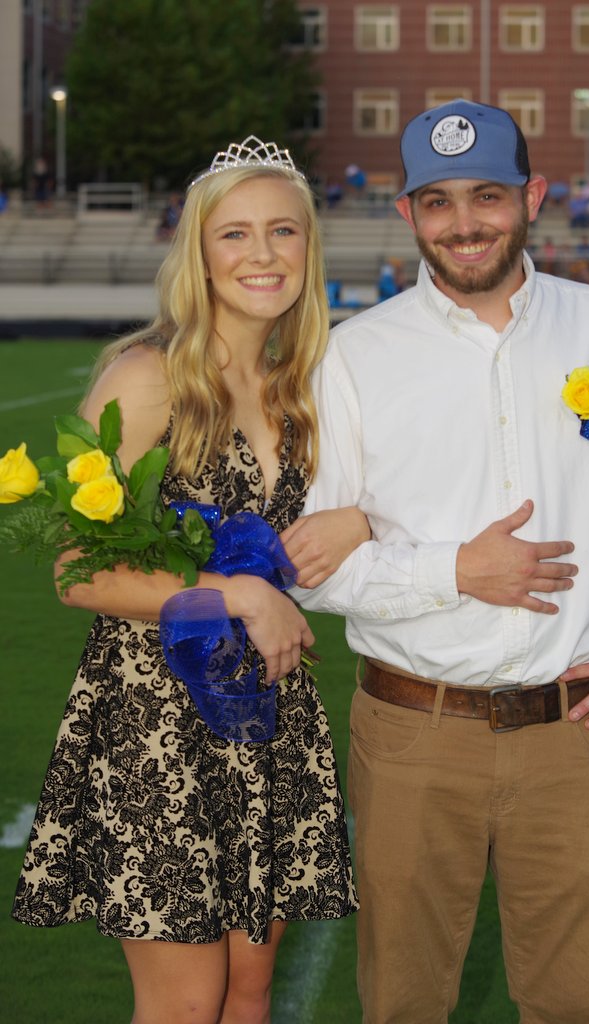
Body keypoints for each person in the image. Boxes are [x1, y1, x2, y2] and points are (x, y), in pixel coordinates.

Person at [282, 100, 589, 1023]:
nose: (464, 223)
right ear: (408, 214)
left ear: (531, 197)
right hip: (412, 732)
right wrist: (456, 570)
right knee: (403, 1005)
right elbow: (311, 567)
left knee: (570, 1006)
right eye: (437, 202)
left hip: (576, 734)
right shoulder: (354, 357)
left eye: (486, 195)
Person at [11, 136, 365, 1024]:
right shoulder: (147, 377)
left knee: (248, 996)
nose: (261, 253)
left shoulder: (302, 387)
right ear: (199, 254)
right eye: (234, 233)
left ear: (308, 247)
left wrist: (361, 522)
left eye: (282, 231)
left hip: (269, 715)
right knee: (185, 1004)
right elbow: (76, 571)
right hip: (155, 724)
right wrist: (233, 592)